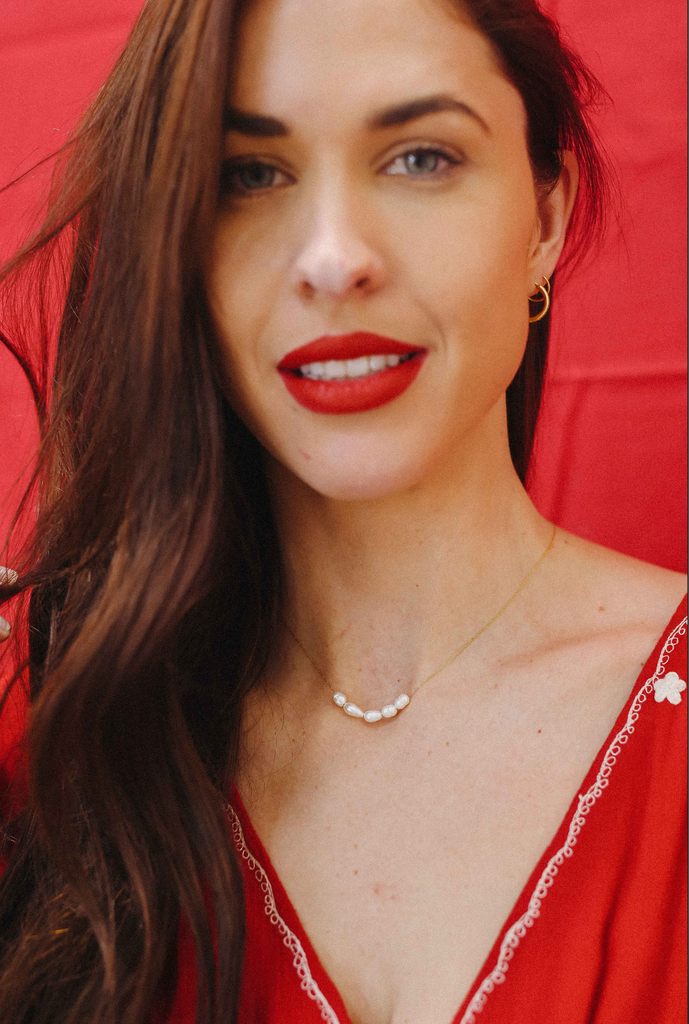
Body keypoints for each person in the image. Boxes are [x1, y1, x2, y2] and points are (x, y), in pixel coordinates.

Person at [0, 0, 686, 1021]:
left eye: (419, 158)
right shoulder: (57, 732)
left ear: (544, 218)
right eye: (248, 174)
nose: (333, 258)